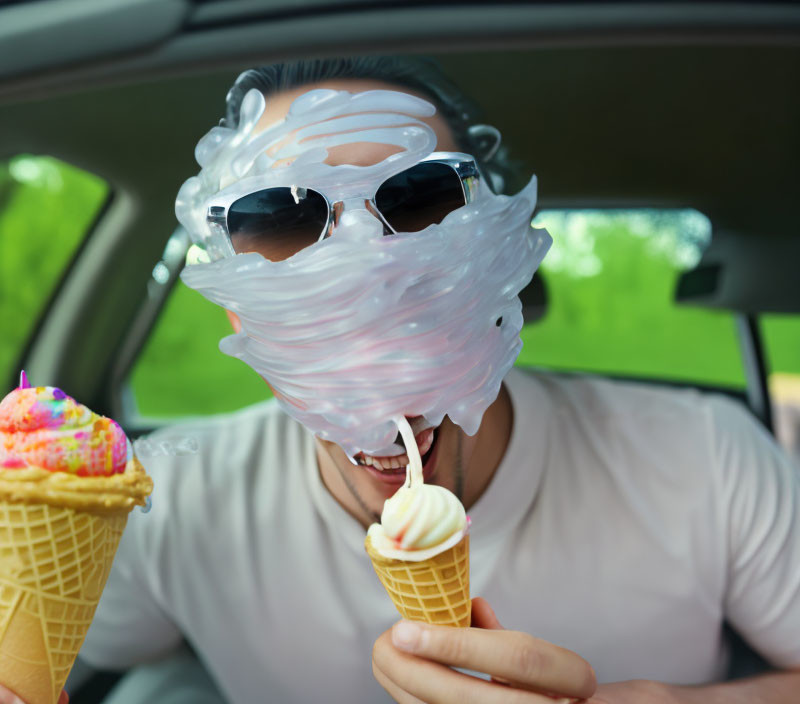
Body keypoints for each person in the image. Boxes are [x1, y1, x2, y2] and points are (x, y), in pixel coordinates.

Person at [56, 57, 800, 703]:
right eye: (274, 218)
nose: (367, 266)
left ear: (499, 274)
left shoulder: (708, 460)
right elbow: (86, 661)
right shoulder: (172, 508)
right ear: (239, 315)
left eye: (420, 198)